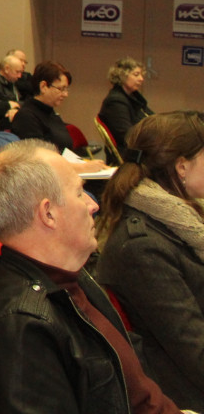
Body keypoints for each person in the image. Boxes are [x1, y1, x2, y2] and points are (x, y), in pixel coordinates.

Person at [0, 140, 181, 414]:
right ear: (48, 213)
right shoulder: (19, 326)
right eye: (80, 193)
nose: (93, 205)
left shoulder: (72, 276)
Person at [96, 112, 204, 411]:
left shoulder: (182, 217)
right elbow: (194, 352)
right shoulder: (142, 248)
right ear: (182, 166)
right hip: (183, 393)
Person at [11, 62, 107, 172]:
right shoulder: (26, 116)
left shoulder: (50, 113)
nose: (65, 94)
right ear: (43, 86)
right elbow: (39, 161)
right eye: (61, 89)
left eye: (66, 89)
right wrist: (82, 168)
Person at [100, 57, 153, 150]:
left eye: (142, 75)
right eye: (136, 75)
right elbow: (127, 135)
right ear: (122, 75)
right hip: (128, 153)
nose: (141, 79)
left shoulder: (134, 97)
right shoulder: (115, 101)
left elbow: (153, 118)